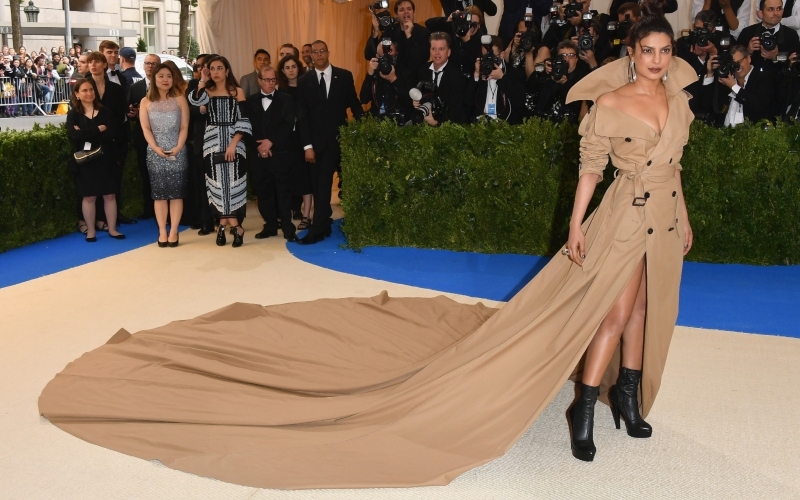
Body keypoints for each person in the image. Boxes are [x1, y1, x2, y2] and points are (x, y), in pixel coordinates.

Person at [37, 0, 699, 486]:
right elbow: (590, 169)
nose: (658, 61)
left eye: (665, 52)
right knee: (611, 311)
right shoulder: (609, 107)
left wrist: (687, 215)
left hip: (665, 218)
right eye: (648, 51)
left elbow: (676, 167)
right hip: (619, 217)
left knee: (644, 308)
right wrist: (578, 224)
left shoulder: (679, 98)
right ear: (630, 55)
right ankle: (587, 407)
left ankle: (630, 402)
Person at [295, 40, 363, 244]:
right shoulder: (304, 81)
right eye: (315, 52)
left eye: (322, 51)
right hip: (316, 146)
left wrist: (365, 129)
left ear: (328, 52)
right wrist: (307, 146)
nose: (318, 55)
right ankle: (320, 228)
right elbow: (303, 116)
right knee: (321, 188)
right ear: (310, 56)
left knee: (348, 186)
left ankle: (354, 226)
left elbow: (354, 104)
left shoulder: (344, 76)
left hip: (342, 141)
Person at [188, 55, 251, 247]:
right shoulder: (207, 91)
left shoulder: (237, 92)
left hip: (235, 143)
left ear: (227, 70)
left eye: (219, 68)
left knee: (234, 186)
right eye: (212, 68)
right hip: (211, 144)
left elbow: (244, 120)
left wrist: (233, 144)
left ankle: (224, 226)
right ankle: (233, 226)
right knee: (216, 186)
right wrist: (202, 81)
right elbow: (194, 102)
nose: (215, 72)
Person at [66, 79, 125, 242]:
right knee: (89, 196)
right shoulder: (73, 115)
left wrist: (86, 132)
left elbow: (112, 134)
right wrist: (98, 129)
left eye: (91, 89)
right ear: (77, 94)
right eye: (84, 90)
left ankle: (112, 229)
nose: (89, 93)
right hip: (85, 162)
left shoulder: (105, 111)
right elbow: (74, 135)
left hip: (106, 159)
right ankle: (91, 230)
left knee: (109, 195)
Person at [139, 62, 190, 247]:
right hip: (155, 152)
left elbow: (184, 127)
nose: (165, 80)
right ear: (154, 78)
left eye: (169, 76)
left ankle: (174, 230)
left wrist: (178, 147)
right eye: (161, 76)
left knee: (177, 193)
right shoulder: (145, 101)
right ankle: (162, 230)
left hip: (178, 150)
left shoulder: (180, 99)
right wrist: (155, 147)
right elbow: (145, 128)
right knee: (159, 194)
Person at [246, 66, 299, 241]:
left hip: (281, 153)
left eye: (273, 79)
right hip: (259, 155)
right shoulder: (251, 101)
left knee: (284, 192)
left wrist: (271, 142)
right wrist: (260, 148)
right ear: (259, 81)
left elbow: (288, 125)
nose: (270, 83)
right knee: (263, 192)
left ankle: (288, 227)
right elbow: (248, 128)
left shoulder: (286, 99)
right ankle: (270, 226)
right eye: (267, 80)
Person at [702, 44, 780, 125]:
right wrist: (709, 74)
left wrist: (734, 87)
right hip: (724, 134)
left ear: (749, 58)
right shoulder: (726, 80)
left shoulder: (764, 78)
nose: (737, 66)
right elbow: (706, 106)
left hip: (752, 134)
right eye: (733, 63)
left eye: (739, 62)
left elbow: (758, 105)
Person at [277, 54, 312, 229]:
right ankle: (284, 215)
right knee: (286, 178)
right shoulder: (279, 92)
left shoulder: (307, 87)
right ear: (282, 71)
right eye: (287, 67)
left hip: (305, 139)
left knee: (305, 178)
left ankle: (306, 216)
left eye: (293, 66)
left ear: (299, 68)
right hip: (285, 141)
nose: (291, 70)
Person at [185, 54, 217, 235]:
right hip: (198, 142)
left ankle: (224, 218)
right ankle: (205, 219)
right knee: (200, 183)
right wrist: (200, 109)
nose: (205, 70)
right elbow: (187, 108)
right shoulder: (193, 85)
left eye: (209, 66)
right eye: (201, 67)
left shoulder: (225, 86)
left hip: (219, 142)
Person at [128, 53, 161, 220]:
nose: (150, 67)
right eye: (147, 63)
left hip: (163, 137)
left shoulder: (165, 86)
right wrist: (133, 113)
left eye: (154, 64)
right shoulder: (135, 88)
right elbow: (130, 112)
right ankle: (149, 208)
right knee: (145, 173)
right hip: (142, 138)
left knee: (163, 173)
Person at [414, 32, 469, 125]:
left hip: (447, 128)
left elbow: (456, 109)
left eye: (441, 49)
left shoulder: (457, 76)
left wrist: (437, 123)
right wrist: (417, 103)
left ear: (449, 52)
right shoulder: (423, 70)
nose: (437, 53)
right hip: (424, 123)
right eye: (433, 49)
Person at [737, 0, 800, 71]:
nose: (776, 13)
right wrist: (748, 51)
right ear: (760, 13)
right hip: (753, 80)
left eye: (779, 9)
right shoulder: (748, 32)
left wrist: (776, 57)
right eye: (770, 9)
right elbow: (736, 61)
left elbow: (794, 64)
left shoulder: (791, 35)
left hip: (780, 80)